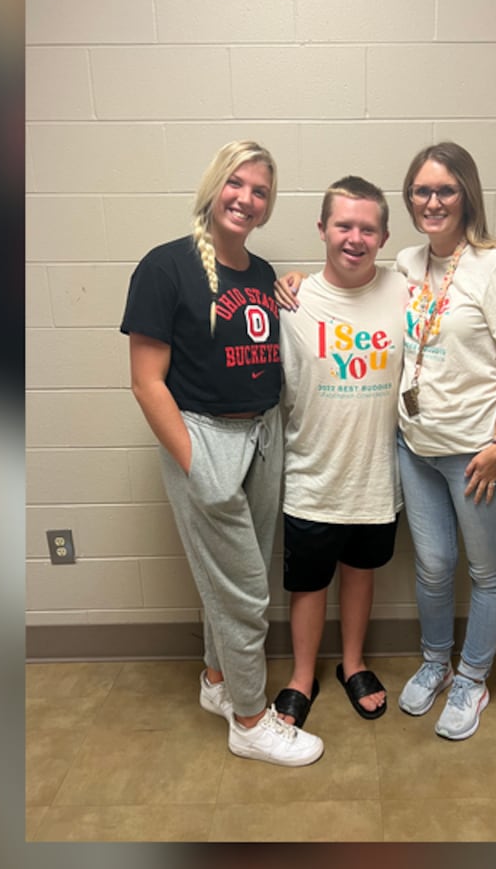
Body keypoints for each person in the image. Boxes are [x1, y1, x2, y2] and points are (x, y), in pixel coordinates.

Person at [120, 140, 323, 768]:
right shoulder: (165, 267)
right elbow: (146, 381)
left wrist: (289, 283)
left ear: (267, 207)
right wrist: (195, 464)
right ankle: (250, 719)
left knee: (247, 572)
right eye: (237, 184)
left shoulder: (261, 275)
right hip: (202, 436)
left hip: (262, 436)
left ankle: (216, 681)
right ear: (215, 187)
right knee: (243, 593)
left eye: (260, 191)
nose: (247, 198)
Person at [390, 142, 496, 741]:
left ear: (466, 195)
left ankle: (472, 679)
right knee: (432, 567)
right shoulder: (406, 263)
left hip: (479, 455)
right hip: (415, 447)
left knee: (488, 574)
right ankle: (435, 662)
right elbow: (354, 295)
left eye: (445, 190)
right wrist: (296, 282)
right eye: (421, 191)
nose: (432, 202)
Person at [273, 176, 405, 728]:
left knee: (360, 571)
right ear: (323, 228)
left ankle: (352, 664)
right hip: (311, 473)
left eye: (367, 228)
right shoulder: (292, 299)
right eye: (343, 225)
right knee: (308, 583)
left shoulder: (404, 289)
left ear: (384, 235)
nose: (355, 237)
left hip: (375, 475)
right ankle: (303, 674)